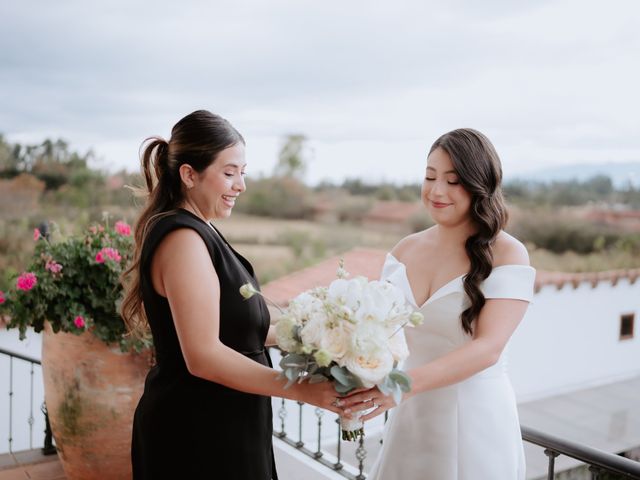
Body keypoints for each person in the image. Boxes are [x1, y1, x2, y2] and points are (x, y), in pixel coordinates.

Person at [120, 110, 344, 479]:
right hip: (196, 431)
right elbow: (204, 356)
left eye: (243, 172)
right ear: (189, 174)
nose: (240, 185)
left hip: (228, 423)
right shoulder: (183, 241)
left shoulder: (201, 231)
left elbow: (244, 327)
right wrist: (302, 390)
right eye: (229, 172)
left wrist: (323, 334)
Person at [340, 128, 535, 479]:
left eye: (453, 180)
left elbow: (488, 348)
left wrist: (398, 386)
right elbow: (376, 331)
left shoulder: (508, 253)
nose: (437, 190)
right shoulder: (405, 249)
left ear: (479, 184)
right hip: (411, 415)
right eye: (430, 177)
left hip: (474, 417)